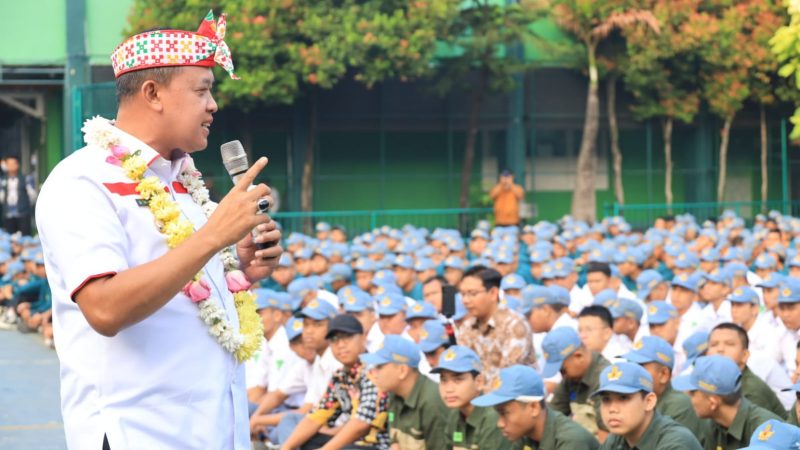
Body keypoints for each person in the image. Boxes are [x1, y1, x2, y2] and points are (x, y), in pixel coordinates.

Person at [35, 11, 283, 449]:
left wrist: (236, 261)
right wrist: (213, 236)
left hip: (214, 430)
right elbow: (105, 309)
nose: (214, 105)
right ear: (153, 93)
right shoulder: (81, 181)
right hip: (141, 434)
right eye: (202, 90)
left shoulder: (183, 181)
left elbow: (183, 282)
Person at [280, 314, 390, 450]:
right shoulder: (340, 376)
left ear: (363, 338)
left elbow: (361, 424)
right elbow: (316, 415)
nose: (341, 345)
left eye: (348, 337)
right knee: (297, 429)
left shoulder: (374, 371)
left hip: (375, 445)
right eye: (334, 339)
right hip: (351, 443)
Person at [472, 365, 599, 449]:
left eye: (505, 413)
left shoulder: (571, 441)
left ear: (534, 407)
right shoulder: (524, 436)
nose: (500, 423)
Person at [672, 355, 781, 450]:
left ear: (713, 402)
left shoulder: (767, 430)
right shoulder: (714, 425)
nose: (689, 398)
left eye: (693, 393)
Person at [360, 335, 449, 449]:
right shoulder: (394, 392)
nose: (374, 373)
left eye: (379, 367)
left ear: (402, 370)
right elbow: (395, 440)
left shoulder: (432, 402)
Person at [457, 266, 535, 391]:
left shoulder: (514, 324)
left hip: (515, 398)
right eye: (463, 294)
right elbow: (463, 369)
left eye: (472, 294)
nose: (465, 300)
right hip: (480, 399)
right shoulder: (466, 327)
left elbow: (508, 376)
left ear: (493, 293)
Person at [593, 362, 702, 449]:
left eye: (623, 398)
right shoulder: (616, 439)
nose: (612, 409)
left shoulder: (675, 441)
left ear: (649, 402)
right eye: (606, 399)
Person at [430, 346, 512, 450]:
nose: (448, 389)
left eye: (458, 380)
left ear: (479, 382)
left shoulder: (492, 419)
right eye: (444, 380)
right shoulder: (455, 416)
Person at [621, 335, 703, 436]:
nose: (631, 372)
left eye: (640, 367)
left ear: (664, 374)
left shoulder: (679, 405)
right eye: (629, 365)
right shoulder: (630, 400)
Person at [706, 322, 787, 417]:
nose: (720, 349)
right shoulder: (708, 382)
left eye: (729, 344)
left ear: (745, 355)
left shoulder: (751, 391)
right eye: (714, 344)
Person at [542, 326, 610, 438]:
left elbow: (607, 437)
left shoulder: (604, 378)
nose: (561, 375)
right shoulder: (570, 378)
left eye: (562, 370)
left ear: (578, 356)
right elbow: (549, 420)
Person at [0, 154, 37, 235]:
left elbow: (33, 196)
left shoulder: (26, 178)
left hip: (23, 214)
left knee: (25, 239)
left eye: (13, 163)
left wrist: (26, 207)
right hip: (8, 215)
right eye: (9, 164)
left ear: (18, 164)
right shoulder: (2, 180)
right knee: (9, 239)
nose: (11, 166)